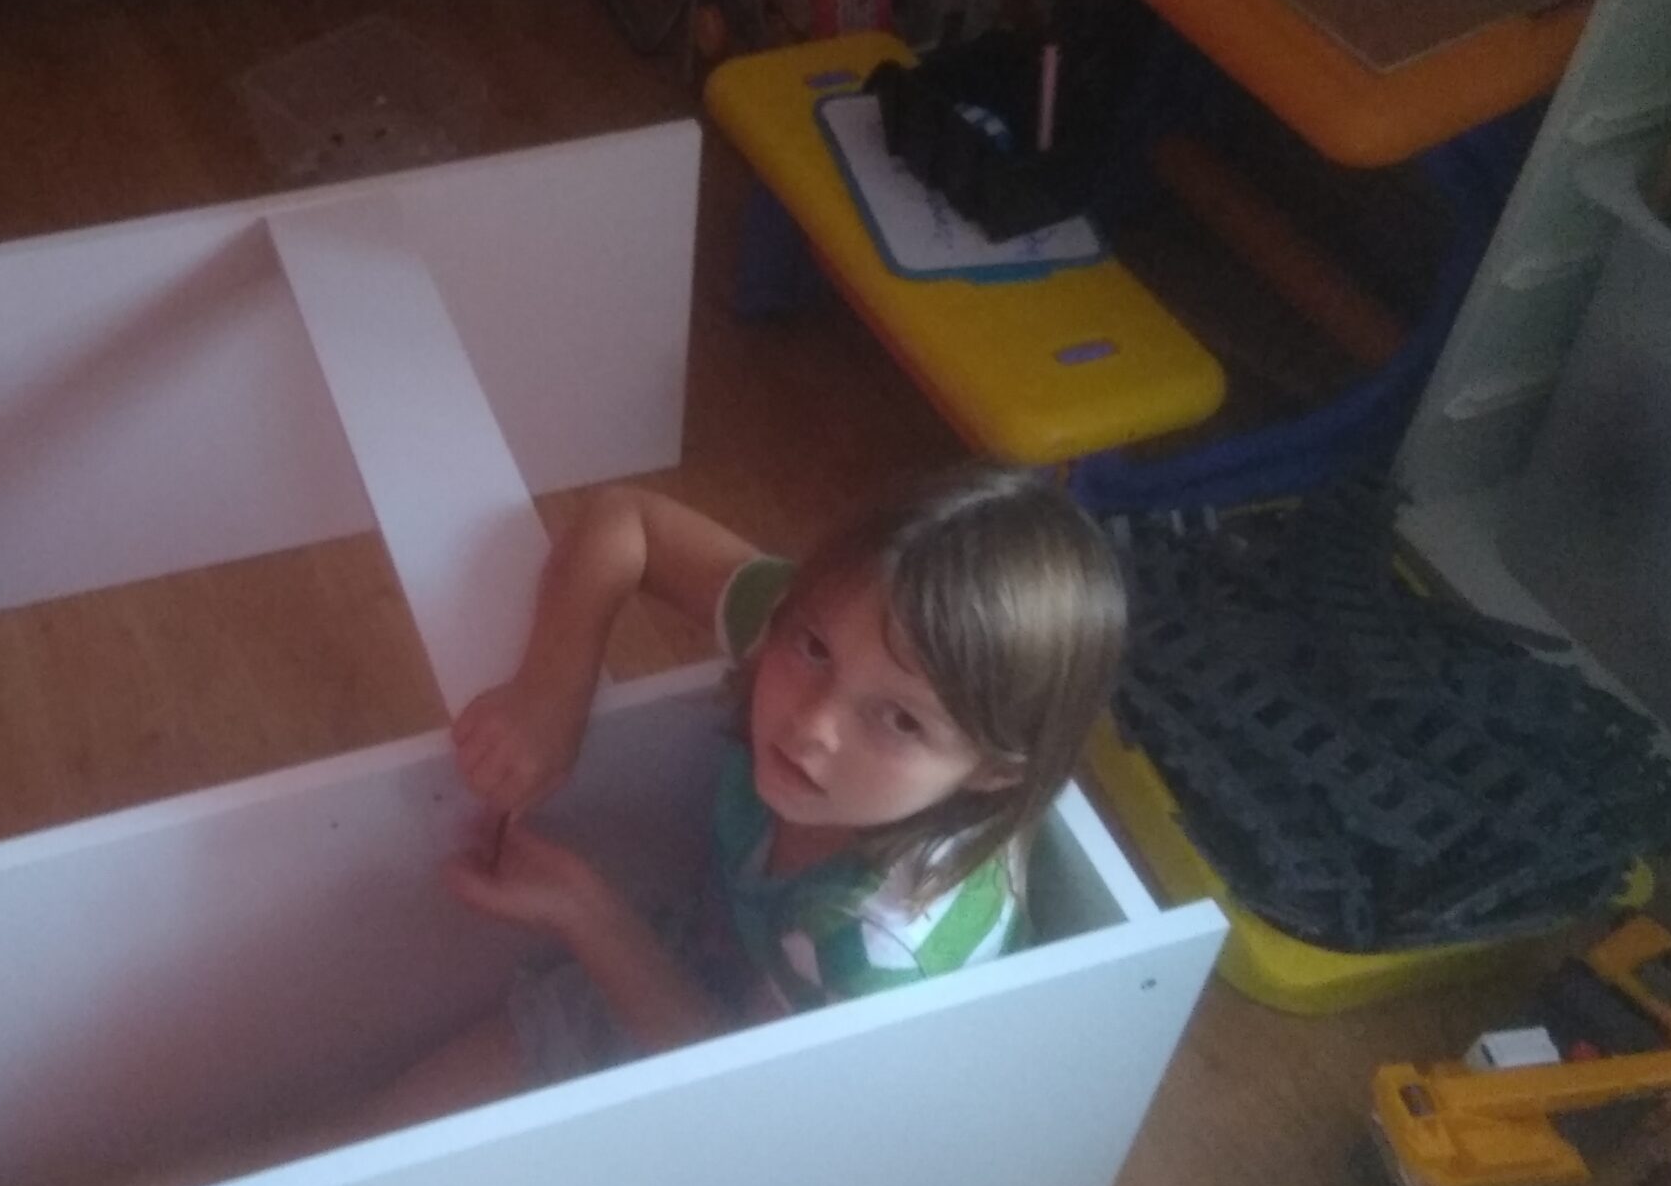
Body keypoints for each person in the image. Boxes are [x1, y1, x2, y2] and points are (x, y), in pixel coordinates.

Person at [357, 462, 1130, 1130]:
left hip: (780, 1108)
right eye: (814, 650)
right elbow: (628, 522)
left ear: (994, 770)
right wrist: (551, 690)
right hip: (714, 978)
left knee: (377, 1153)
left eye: (900, 721)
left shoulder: (882, 954)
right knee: (378, 1135)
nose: (812, 724)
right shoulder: (822, 634)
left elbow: (747, 1108)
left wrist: (586, 912)